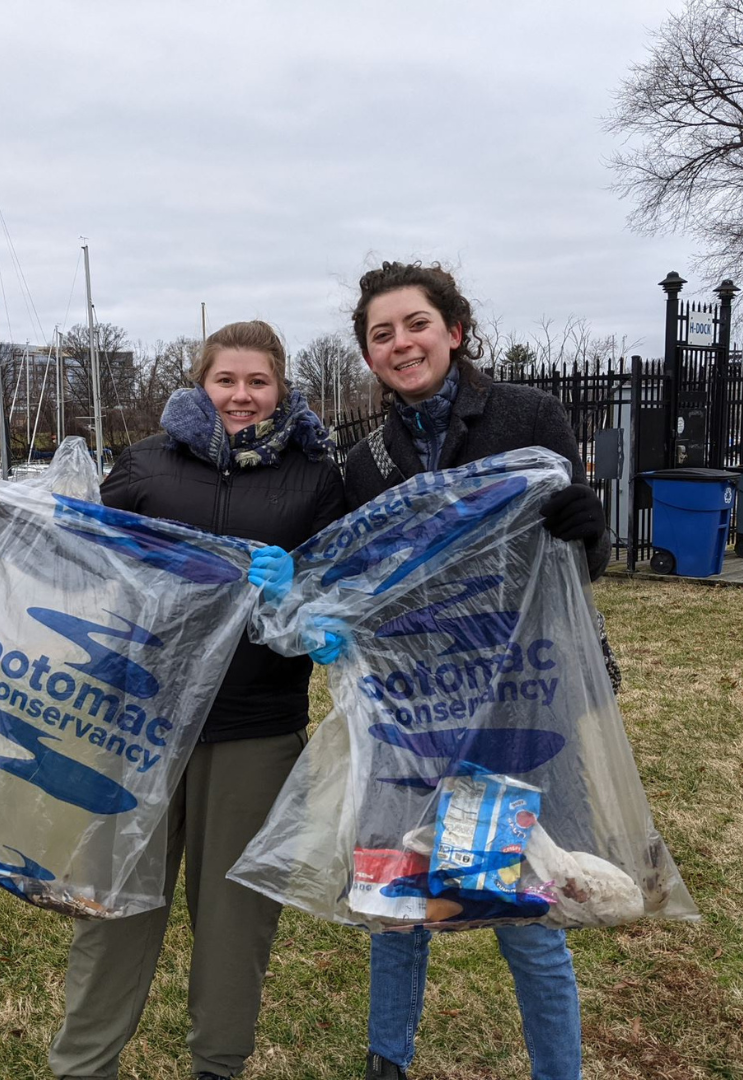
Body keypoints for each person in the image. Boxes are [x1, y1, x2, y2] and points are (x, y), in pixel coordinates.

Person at [0, 320, 345, 1080]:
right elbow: (82, 560)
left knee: (236, 918)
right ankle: (83, 1064)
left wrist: (301, 597)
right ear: (201, 382)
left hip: (254, 729)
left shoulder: (315, 477)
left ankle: (218, 1065)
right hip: (138, 722)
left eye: (257, 382)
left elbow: (334, 590)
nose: (241, 396)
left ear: (281, 388)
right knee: (113, 905)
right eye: (226, 380)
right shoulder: (145, 466)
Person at [347, 262, 607, 1080]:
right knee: (400, 899)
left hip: (522, 695)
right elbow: (359, 581)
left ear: (453, 331)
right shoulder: (367, 460)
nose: (402, 343)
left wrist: (584, 522)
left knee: (528, 902)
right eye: (381, 333)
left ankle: (556, 1071)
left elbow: (582, 566)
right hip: (415, 707)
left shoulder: (527, 417)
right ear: (369, 356)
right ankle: (388, 1062)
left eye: (416, 324)